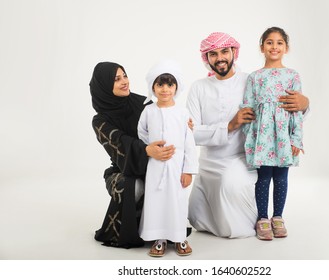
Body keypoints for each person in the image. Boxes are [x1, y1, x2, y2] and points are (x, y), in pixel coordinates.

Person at [186, 32, 309, 238]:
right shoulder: (198, 87)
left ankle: (267, 218)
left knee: (233, 219)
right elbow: (190, 133)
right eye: (213, 54)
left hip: (245, 158)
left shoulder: (249, 78)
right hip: (209, 164)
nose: (220, 58)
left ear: (234, 52)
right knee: (196, 217)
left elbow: (284, 109)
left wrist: (305, 104)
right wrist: (230, 125)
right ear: (206, 58)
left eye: (224, 51)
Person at [89, 62, 175, 248]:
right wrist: (145, 150)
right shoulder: (100, 120)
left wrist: (183, 124)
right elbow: (118, 143)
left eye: (125, 76)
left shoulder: (143, 103)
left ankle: (162, 228)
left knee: (167, 178)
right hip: (122, 170)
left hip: (154, 163)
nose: (124, 82)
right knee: (133, 186)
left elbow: (166, 123)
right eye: (116, 79)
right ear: (103, 85)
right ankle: (133, 228)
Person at [241, 27, 303, 240]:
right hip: (262, 138)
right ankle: (262, 219)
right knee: (264, 177)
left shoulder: (292, 76)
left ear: (286, 47)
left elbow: (297, 111)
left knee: (282, 178)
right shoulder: (254, 77)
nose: (274, 46)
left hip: (283, 136)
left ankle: (278, 217)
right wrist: (250, 137)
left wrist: (296, 139)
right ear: (262, 47)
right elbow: (247, 108)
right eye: (269, 42)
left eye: (279, 43)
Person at [138, 60, 198, 257]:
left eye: (169, 84)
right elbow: (142, 133)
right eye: (160, 84)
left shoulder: (182, 113)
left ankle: (179, 237)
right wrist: (152, 147)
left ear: (176, 87)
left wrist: (188, 170)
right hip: (155, 166)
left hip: (176, 167)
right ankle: (159, 238)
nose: (165, 89)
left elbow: (189, 144)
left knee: (177, 201)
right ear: (153, 87)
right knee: (156, 201)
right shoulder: (148, 111)